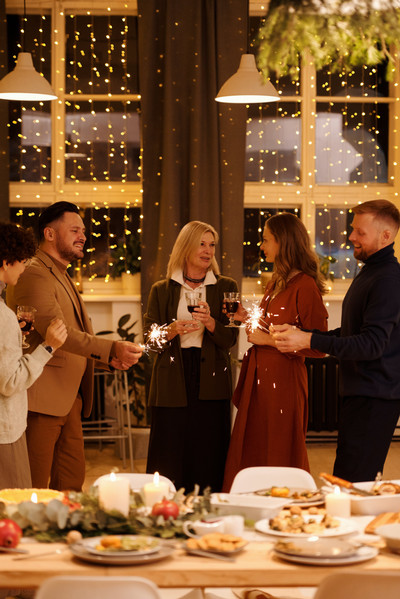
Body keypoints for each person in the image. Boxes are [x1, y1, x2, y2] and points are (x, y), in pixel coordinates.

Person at [6, 201, 143, 491]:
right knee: (33, 489)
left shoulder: (60, 272)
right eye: (74, 230)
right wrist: (111, 349)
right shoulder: (33, 272)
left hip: (69, 399)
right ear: (50, 234)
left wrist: (108, 360)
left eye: (83, 230)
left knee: (70, 484)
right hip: (41, 398)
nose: (82, 236)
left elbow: (73, 335)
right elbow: (58, 332)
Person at [273, 200, 400, 483]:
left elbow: (371, 345)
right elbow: (352, 332)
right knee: (347, 479)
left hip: (375, 397)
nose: (352, 237)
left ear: (385, 237)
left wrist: (308, 338)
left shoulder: (389, 279)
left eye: (360, 232)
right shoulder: (370, 271)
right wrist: (301, 337)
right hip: (360, 393)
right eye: (353, 230)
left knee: (352, 484)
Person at [222, 213, 328, 492]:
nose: (262, 245)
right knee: (254, 441)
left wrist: (267, 341)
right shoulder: (275, 281)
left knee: (279, 446)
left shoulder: (305, 286)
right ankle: (250, 498)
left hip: (284, 382)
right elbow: (270, 327)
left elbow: (319, 345)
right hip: (260, 379)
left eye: (266, 239)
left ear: (283, 242)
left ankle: (283, 501)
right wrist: (245, 317)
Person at [144, 221, 239, 492]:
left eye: (212, 245)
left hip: (211, 379)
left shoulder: (225, 287)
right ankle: (165, 505)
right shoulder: (161, 290)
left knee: (209, 449)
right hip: (173, 378)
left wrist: (210, 322)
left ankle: (209, 508)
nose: (208, 250)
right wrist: (172, 329)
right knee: (170, 448)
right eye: (202, 244)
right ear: (186, 247)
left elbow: (230, 340)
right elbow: (149, 342)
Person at [0, 222, 67, 489]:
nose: (25, 268)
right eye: (23, 261)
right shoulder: (3, 316)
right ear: (6, 262)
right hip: (5, 430)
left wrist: (14, 338)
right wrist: (48, 347)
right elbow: (10, 382)